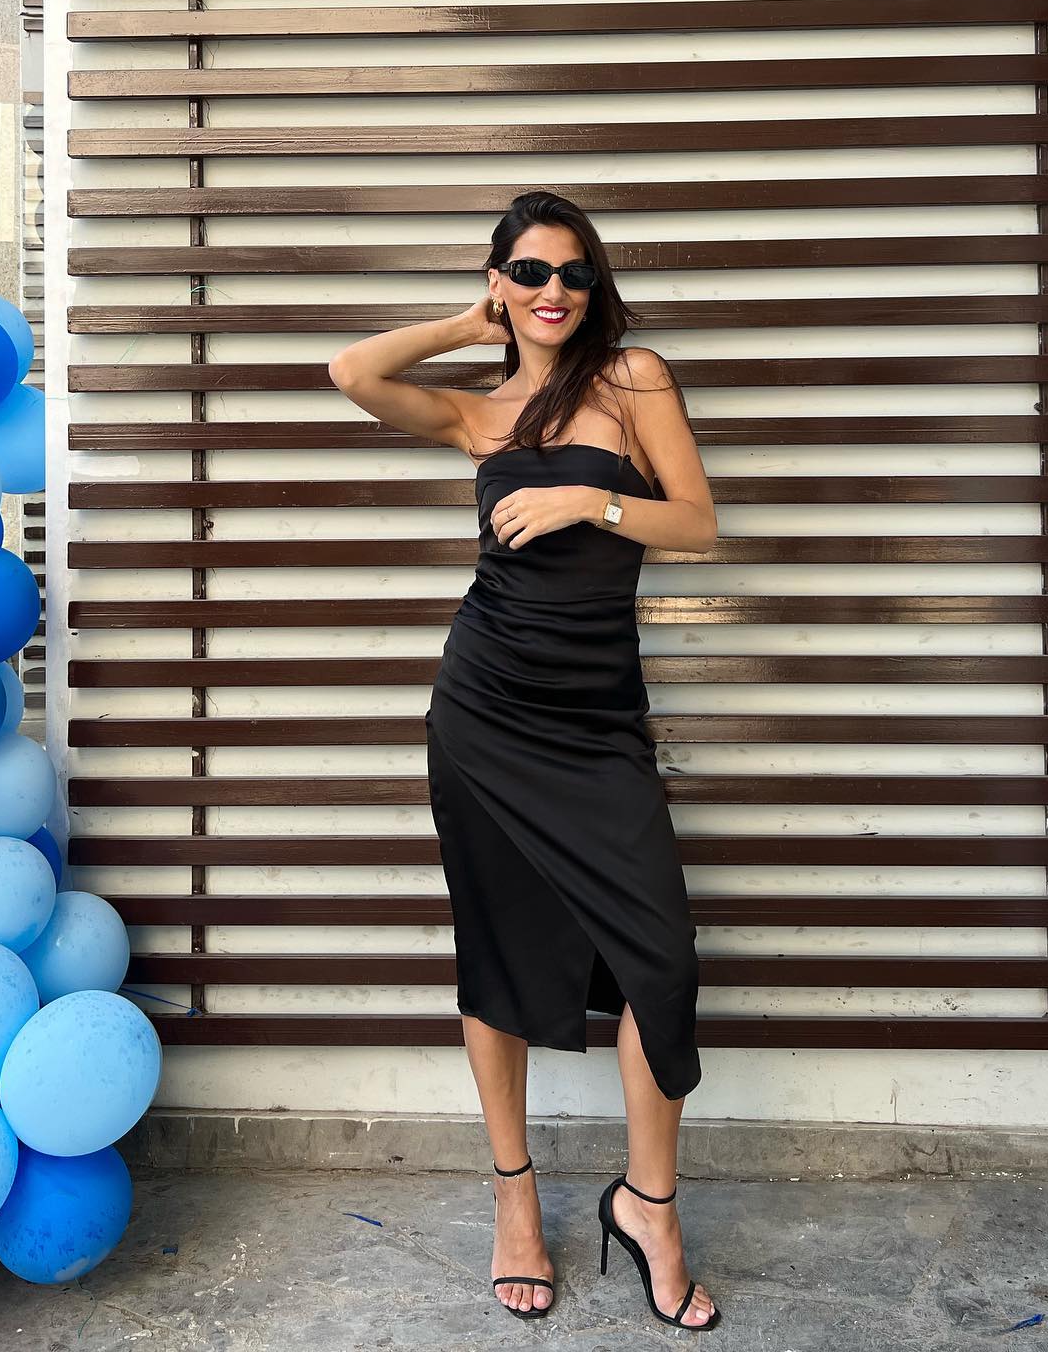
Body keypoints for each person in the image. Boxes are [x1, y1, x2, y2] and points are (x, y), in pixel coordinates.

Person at [328, 189, 721, 1331]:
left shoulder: (634, 380)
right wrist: (469, 324)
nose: (556, 290)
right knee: (495, 952)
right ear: (502, 280)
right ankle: (514, 1196)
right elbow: (352, 370)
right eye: (532, 271)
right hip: (486, 714)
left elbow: (697, 522)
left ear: (597, 288)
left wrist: (589, 499)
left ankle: (649, 1205)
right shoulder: (479, 412)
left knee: (661, 963)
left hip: (597, 723)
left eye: (575, 272)